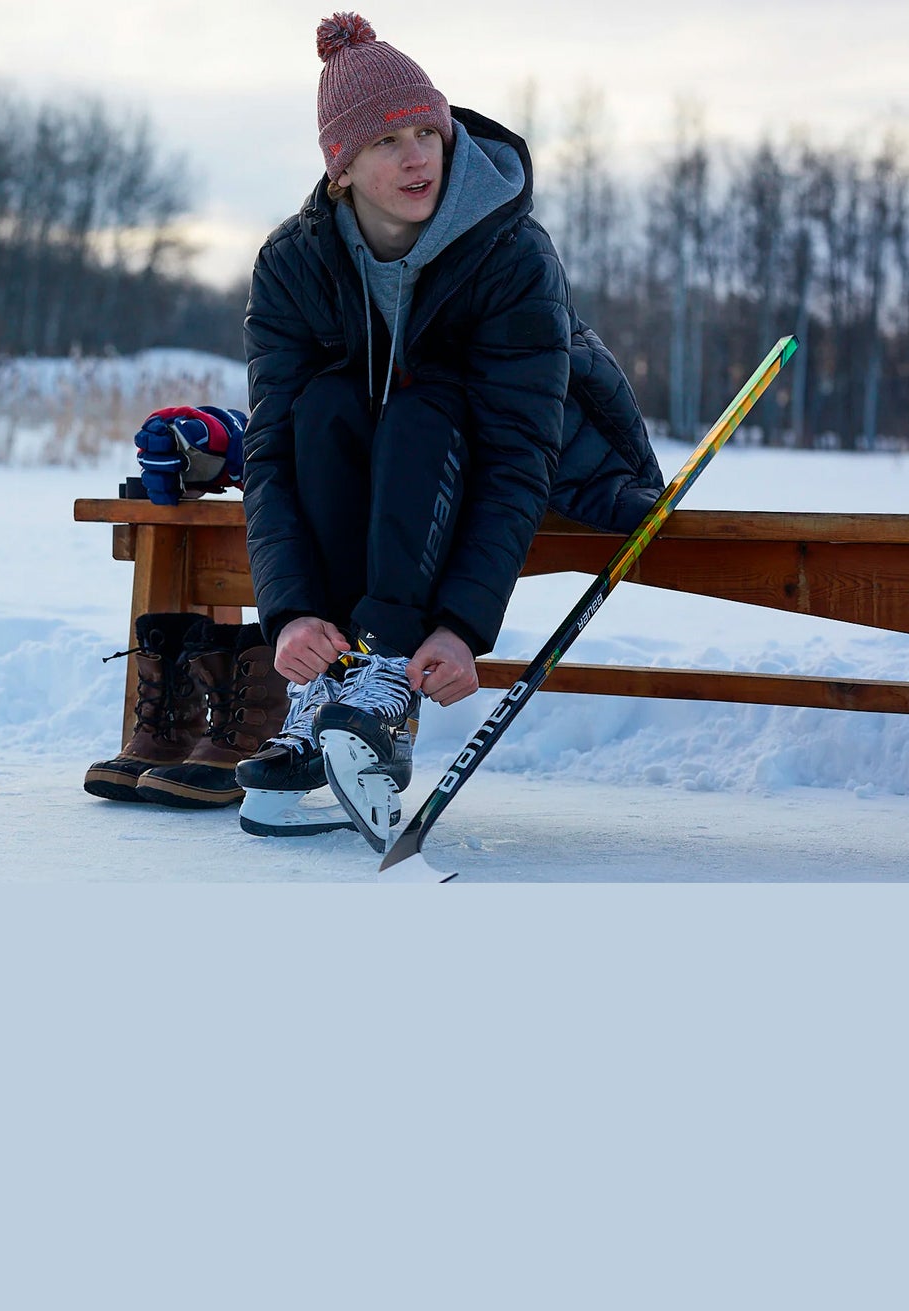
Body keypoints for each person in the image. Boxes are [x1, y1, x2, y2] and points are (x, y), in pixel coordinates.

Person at [233, 11, 665, 844]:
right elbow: (273, 449)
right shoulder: (292, 264)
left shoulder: (513, 255)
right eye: (388, 141)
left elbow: (517, 453)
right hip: (384, 471)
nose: (418, 157)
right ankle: (327, 687)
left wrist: (461, 628)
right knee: (322, 406)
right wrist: (290, 613)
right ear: (341, 169)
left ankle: (382, 678)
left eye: (428, 132)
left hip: (539, 459)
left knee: (424, 402)